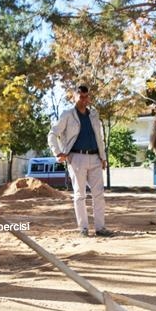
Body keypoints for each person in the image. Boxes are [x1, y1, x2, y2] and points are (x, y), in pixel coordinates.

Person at [48, 84, 112, 237]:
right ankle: (83, 229)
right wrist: (58, 153)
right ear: (74, 97)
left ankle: (100, 228)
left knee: (99, 194)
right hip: (76, 158)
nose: (84, 100)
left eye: (86, 97)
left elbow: (99, 138)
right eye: (80, 97)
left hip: (95, 157)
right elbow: (52, 134)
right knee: (80, 194)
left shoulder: (93, 115)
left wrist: (103, 157)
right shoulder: (67, 114)